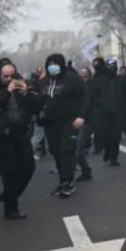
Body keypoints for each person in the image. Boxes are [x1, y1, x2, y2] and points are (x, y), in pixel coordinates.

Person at [0, 59, 45, 218]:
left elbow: (37, 105)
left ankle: (8, 195)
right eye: (5, 76)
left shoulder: (21, 86)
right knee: (9, 173)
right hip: (2, 136)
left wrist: (26, 92)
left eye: (11, 76)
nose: (9, 79)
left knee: (28, 166)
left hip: (21, 133)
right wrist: (7, 91)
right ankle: (11, 209)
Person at [37, 54, 87, 198]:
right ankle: (63, 181)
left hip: (69, 121)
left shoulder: (73, 79)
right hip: (50, 122)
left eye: (55, 64)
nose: (53, 66)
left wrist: (81, 116)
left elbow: (85, 96)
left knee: (67, 150)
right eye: (50, 64)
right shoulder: (44, 81)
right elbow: (39, 100)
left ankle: (68, 182)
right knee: (56, 151)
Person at [88, 57, 126, 166]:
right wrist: (101, 105)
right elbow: (93, 95)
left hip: (117, 113)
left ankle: (114, 157)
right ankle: (107, 150)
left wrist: (123, 109)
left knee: (116, 136)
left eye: (114, 66)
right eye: (110, 66)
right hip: (103, 113)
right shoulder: (99, 79)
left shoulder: (120, 80)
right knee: (105, 135)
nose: (113, 68)